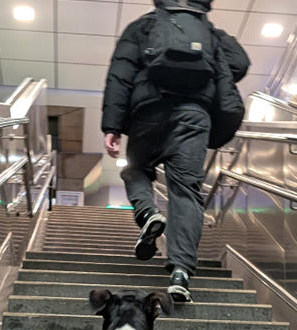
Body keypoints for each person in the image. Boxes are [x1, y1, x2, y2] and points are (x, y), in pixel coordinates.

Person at [102, 0, 248, 302]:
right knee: (186, 191)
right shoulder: (209, 30)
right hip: (194, 116)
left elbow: (120, 74)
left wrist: (112, 126)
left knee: (135, 169)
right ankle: (181, 271)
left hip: (149, 113)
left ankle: (148, 212)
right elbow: (240, 63)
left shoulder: (143, 26)